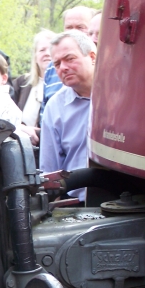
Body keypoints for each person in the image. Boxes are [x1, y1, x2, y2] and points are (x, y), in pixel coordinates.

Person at [40, 30, 96, 202]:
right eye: (57, 64)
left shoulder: (121, 94)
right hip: (76, 204)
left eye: (70, 59)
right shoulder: (55, 107)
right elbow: (49, 171)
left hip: (127, 202)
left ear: (92, 57)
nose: (63, 67)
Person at [39, 6, 97, 118]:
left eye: (80, 27)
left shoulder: (106, 65)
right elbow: (45, 111)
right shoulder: (52, 68)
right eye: (69, 28)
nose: (73, 32)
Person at [13, 29, 56, 145]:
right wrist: (20, 128)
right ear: (35, 56)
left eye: (51, 49)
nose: (47, 53)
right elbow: (5, 114)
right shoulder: (22, 83)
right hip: (21, 148)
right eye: (42, 50)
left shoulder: (65, 86)